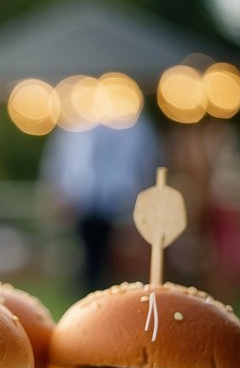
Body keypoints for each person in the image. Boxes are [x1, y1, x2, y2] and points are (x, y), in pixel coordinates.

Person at [40, 117, 159, 293]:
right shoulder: (73, 124)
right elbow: (60, 162)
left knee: (110, 252)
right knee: (87, 250)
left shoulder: (131, 123)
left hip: (115, 198)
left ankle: (103, 288)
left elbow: (144, 159)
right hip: (84, 198)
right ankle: (89, 288)